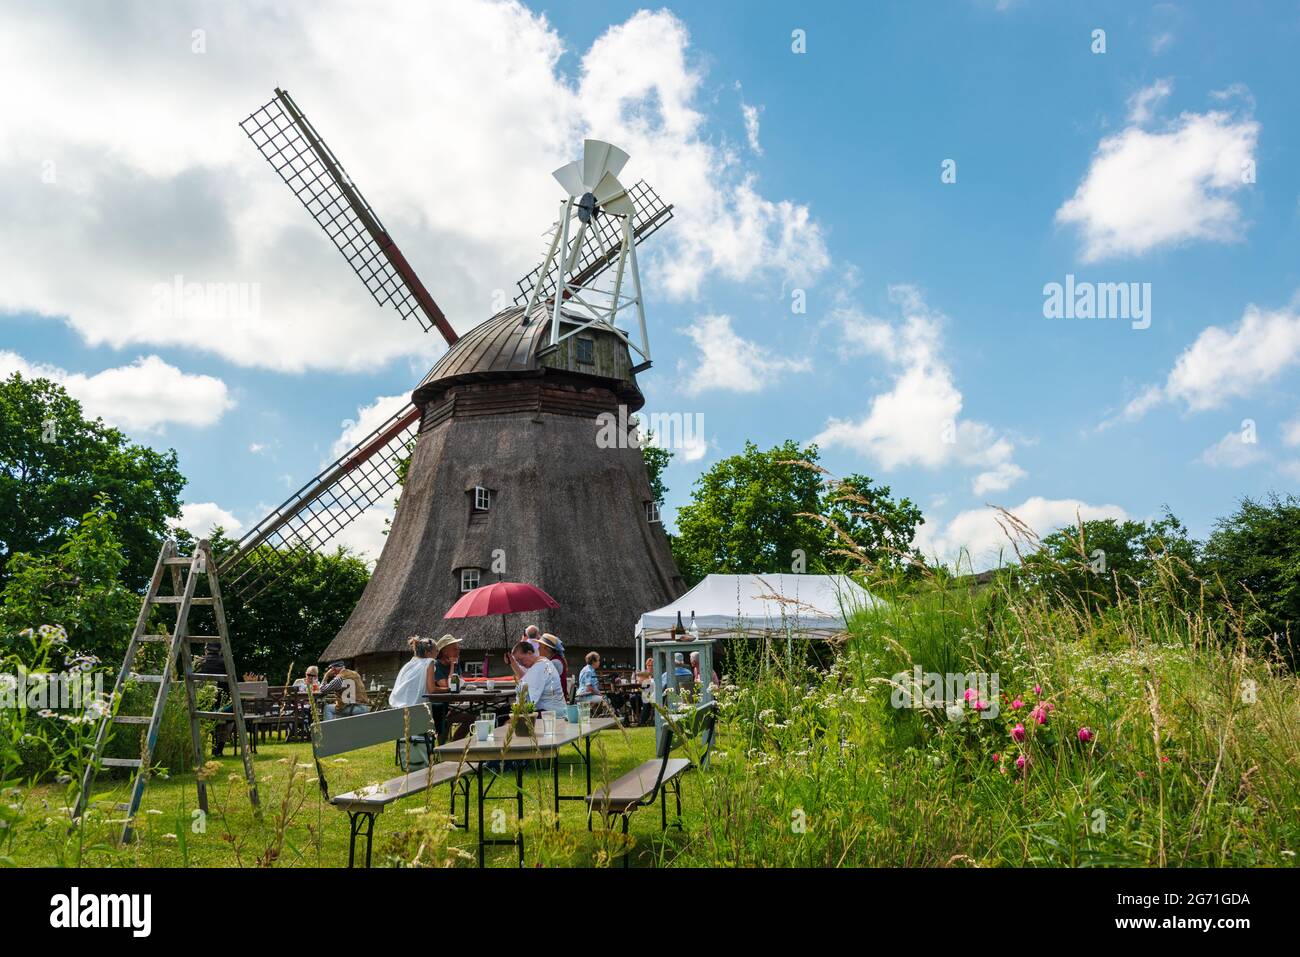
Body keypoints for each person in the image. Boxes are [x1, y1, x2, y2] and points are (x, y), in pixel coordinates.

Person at [504, 639, 567, 714]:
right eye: (518, 662)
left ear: (529, 653)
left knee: (504, 714)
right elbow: (526, 681)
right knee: (505, 709)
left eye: (521, 660)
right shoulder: (541, 663)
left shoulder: (541, 666)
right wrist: (512, 662)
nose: (520, 664)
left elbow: (530, 699)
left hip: (551, 712)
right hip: (550, 709)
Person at [389, 636, 437, 708]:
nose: (437, 654)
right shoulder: (429, 661)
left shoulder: (408, 664)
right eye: (436, 651)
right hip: (415, 707)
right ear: (427, 653)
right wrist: (448, 689)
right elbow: (432, 690)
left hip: (396, 704)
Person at [535, 632, 569, 697]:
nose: (538, 648)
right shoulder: (553, 661)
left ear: (546, 648)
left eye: (540, 646)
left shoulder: (555, 662)